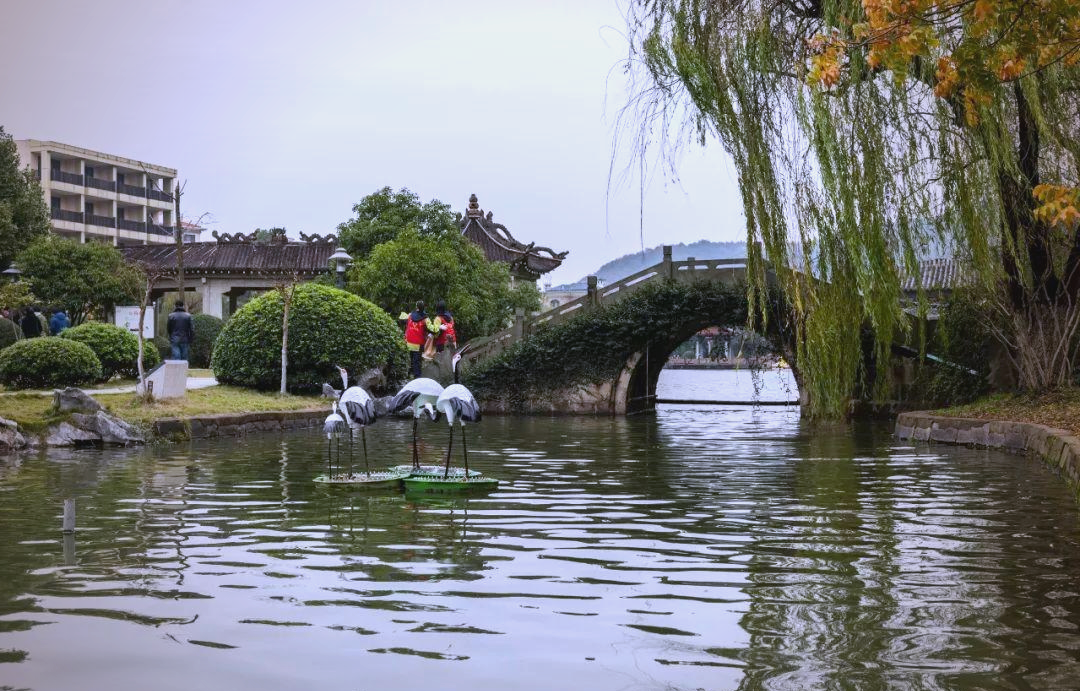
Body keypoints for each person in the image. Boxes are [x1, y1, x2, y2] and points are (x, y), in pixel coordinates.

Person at [403, 300, 437, 378]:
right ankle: (417, 378)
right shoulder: (426, 319)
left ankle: (409, 376)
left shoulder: (410, 315)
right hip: (418, 344)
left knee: (411, 360)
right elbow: (433, 329)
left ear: (416, 307)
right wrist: (439, 327)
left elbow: (403, 321)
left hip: (408, 342)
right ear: (424, 307)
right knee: (417, 362)